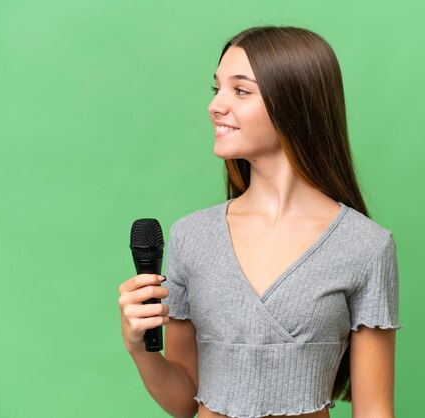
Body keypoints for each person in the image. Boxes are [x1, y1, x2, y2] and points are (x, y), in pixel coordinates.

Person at [118, 26, 402, 418]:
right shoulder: (191, 236)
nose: (215, 105)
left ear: (294, 103)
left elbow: (373, 410)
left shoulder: (365, 246)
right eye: (216, 88)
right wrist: (139, 348)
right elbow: (186, 401)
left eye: (241, 90)